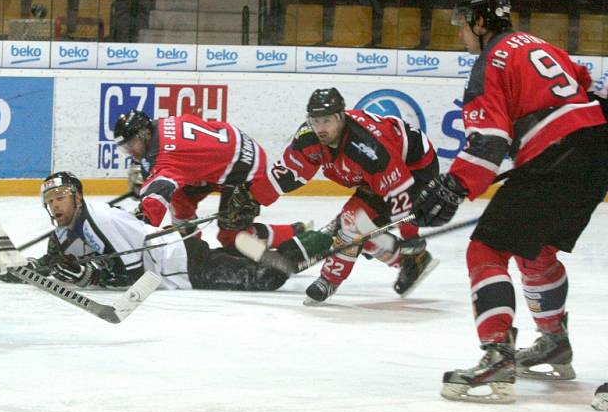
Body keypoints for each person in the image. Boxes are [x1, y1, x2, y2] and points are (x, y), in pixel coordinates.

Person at [411, 0, 608, 406]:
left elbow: (488, 141)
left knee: (485, 250)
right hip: (595, 150)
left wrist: (455, 185)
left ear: (481, 22)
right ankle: (554, 340)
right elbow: (589, 88)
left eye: (463, 23)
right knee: (536, 250)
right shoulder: (541, 45)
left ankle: (497, 354)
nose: (460, 32)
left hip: (558, 155)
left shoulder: (489, 62)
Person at [248, 87, 440, 305]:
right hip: (377, 179)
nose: (320, 128)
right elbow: (286, 174)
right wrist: (252, 197)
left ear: (341, 117)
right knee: (357, 226)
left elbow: (399, 189)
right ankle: (410, 262)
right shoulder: (308, 138)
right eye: (315, 120)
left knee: (352, 223)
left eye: (327, 120)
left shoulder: (367, 148)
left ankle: (329, 280)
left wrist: (410, 234)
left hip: (415, 170)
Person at [25, 171, 291, 292]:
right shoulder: (61, 234)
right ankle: (248, 248)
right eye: (49, 200)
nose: (54, 204)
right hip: (178, 258)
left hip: (182, 262)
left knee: (269, 276)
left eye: (60, 197)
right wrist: (18, 267)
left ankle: (315, 243)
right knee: (236, 259)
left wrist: (90, 276)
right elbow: (48, 266)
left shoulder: (100, 219)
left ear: (78, 197)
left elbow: (134, 276)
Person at [111, 110, 304, 250]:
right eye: (124, 147)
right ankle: (190, 242)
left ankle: (294, 233)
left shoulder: (166, 157)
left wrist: (139, 222)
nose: (129, 151)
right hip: (224, 155)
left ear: (144, 134)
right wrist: (148, 181)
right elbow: (169, 166)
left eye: (130, 144)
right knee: (179, 198)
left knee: (232, 238)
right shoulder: (158, 126)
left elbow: (157, 196)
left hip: (244, 169)